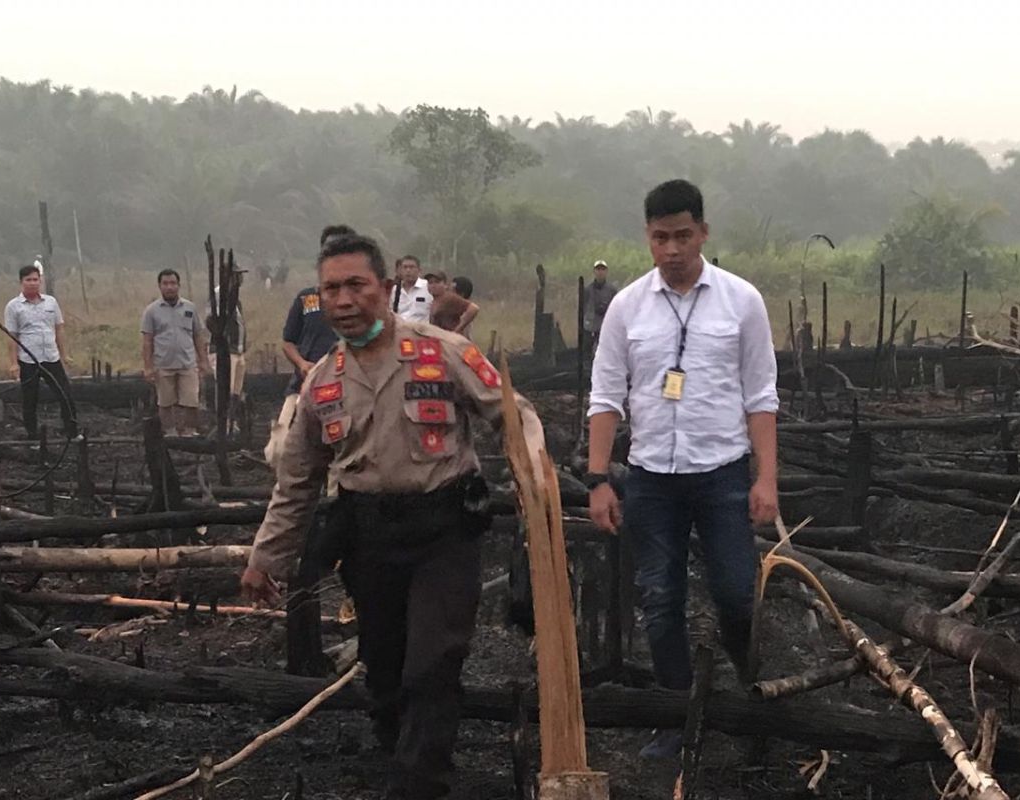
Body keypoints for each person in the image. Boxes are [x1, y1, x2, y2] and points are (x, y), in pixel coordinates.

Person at [241, 234, 544, 800]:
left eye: (357, 285)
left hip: (444, 532)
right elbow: (298, 481)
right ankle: (400, 750)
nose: (344, 299)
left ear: (384, 289)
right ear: (320, 298)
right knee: (383, 673)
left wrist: (537, 484)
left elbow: (513, 413)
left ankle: (419, 785)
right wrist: (267, 557)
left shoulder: (441, 350)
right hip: (368, 537)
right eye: (332, 288)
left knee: (434, 662)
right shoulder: (321, 381)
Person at [585, 179, 779, 758]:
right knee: (659, 597)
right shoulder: (626, 306)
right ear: (647, 237)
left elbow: (761, 396)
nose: (671, 249)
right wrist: (599, 479)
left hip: (721, 472)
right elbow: (605, 396)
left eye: (683, 236)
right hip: (650, 478)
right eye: (660, 237)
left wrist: (765, 478)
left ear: (703, 233)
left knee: (738, 594)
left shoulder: (742, 301)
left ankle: (755, 705)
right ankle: (676, 715)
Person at [265, 225, 348, 468]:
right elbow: (288, 342)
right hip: (303, 384)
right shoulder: (306, 297)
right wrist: (301, 363)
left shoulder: (359, 300)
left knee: (339, 458)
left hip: (345, 389)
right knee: (279, 451)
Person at [4, 265, 79, 440]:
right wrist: (14, 363)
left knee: (65, 395)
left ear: (40, 281)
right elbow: (11, 336)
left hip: (51, 358)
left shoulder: (51, 302)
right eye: (28, 280)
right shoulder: (14, 307)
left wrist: (64, 354)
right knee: (30, 400)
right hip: (28, 360)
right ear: (21, 282)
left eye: (35, 280)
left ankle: (72, 433)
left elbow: (59, 329)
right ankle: (32, 436)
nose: (32, 283)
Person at [140, 269, 210, 436]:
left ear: (179, 286)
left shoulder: (190, 308)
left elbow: (198, 336)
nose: (169, 287)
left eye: (173, 283)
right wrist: (148, 367)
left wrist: (203, 360)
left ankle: (189, 432)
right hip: (163, 364)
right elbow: (147, 341)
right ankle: (170, 433)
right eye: (165, 284)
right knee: (165, 402)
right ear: (159, 286)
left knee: (191, 401)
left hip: (187, 363)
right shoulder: (151, 311)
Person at [205, 274, 249, 411]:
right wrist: (223, 341)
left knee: (235, 390)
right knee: (225, 389)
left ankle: (232, 420)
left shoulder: (233, 296)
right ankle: (224, 421)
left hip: (237, 349)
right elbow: (214, 320)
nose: (241, 278)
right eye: (237, 275)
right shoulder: (220, 294)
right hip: (226, 350)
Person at [425, 270, 479, 334]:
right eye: (430, 283)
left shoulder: (449, 298)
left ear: (445, 285)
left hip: (450, 340)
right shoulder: (434, 300)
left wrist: (457, 330)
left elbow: (474, 308)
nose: (433, 285)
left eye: (437, 282)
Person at [582, 259, 618, 351]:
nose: (600, 272)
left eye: (602, 269)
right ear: (594, 271)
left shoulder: (612, 290)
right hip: (590, 328)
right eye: (598, 269)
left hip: (606, 327)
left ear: (606, 272)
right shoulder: (588, 290)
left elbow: (616, 309)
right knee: (587, 352)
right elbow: (584, 308)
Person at [391, 254, 432, 323]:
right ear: (400, 270)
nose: (408, 270)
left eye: (412, 267)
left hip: (421, 331)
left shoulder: (427, 287)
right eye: (405, 267)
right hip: (401, 331)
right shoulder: (395, 290)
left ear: (419, 270)